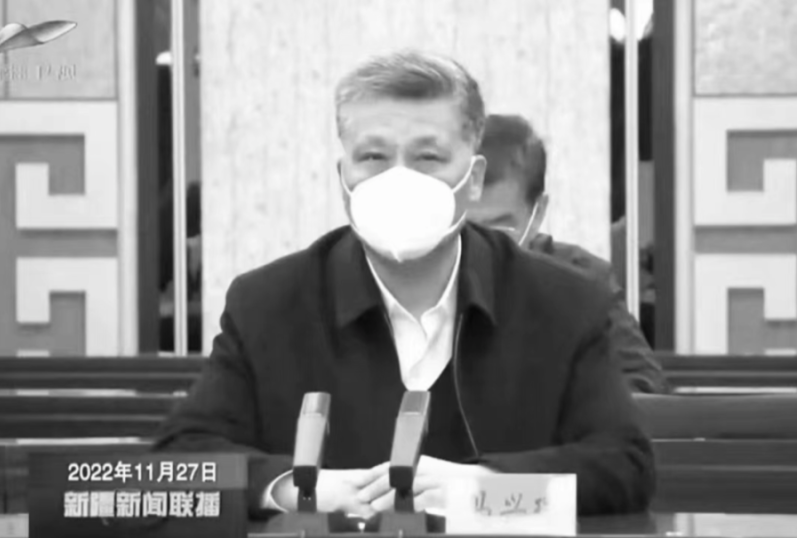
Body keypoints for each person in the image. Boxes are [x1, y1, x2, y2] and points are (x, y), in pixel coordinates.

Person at [154, 50, 655, 521]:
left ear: (473, 179)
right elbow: (180, 460)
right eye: (373, 156)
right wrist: (298, 490)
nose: (399, 180)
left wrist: (483, 493)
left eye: (428, 157)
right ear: (343, 179)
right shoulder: (268, 305)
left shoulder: (563, 303)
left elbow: (623, 466)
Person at [469, 114, 666, 394]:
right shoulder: (417, 278)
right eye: (464, 227)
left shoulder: (583, 278)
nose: (480, 243)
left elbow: (644, 386)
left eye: (500, 227)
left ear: (538, 212)